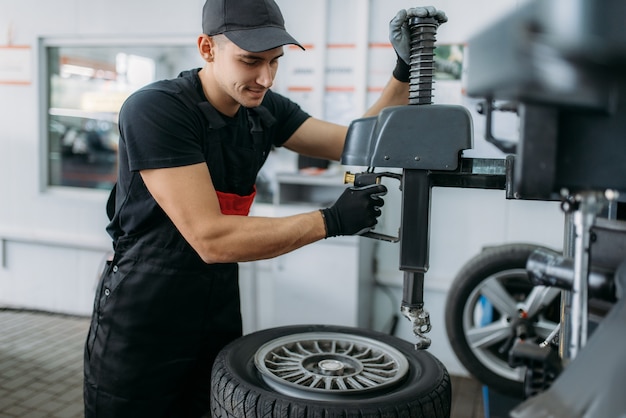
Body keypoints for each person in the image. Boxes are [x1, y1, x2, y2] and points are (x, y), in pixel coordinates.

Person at [83, 0, 446, 417]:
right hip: (144, 313)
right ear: (206, 48)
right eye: (250, 61)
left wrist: (403, 70)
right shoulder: (157, 110)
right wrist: (330, 220)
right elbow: (211, 238)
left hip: (216, 302)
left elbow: (360, 144)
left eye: (275, 62)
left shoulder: (264, 109)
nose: (266, 78)